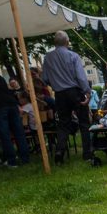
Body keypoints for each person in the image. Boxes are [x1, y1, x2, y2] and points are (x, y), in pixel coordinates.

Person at [41, 31, 92, 164]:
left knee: (63, 124)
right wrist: (87, 91)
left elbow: (45, 79)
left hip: (59, 94)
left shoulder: (47, 57)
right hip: (74, 91)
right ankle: (87, 153)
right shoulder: (73, 56)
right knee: (84, 122)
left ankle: (59, 152)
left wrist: (56, 83)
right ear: (67, 41)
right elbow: (81, 77)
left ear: (55, 43)